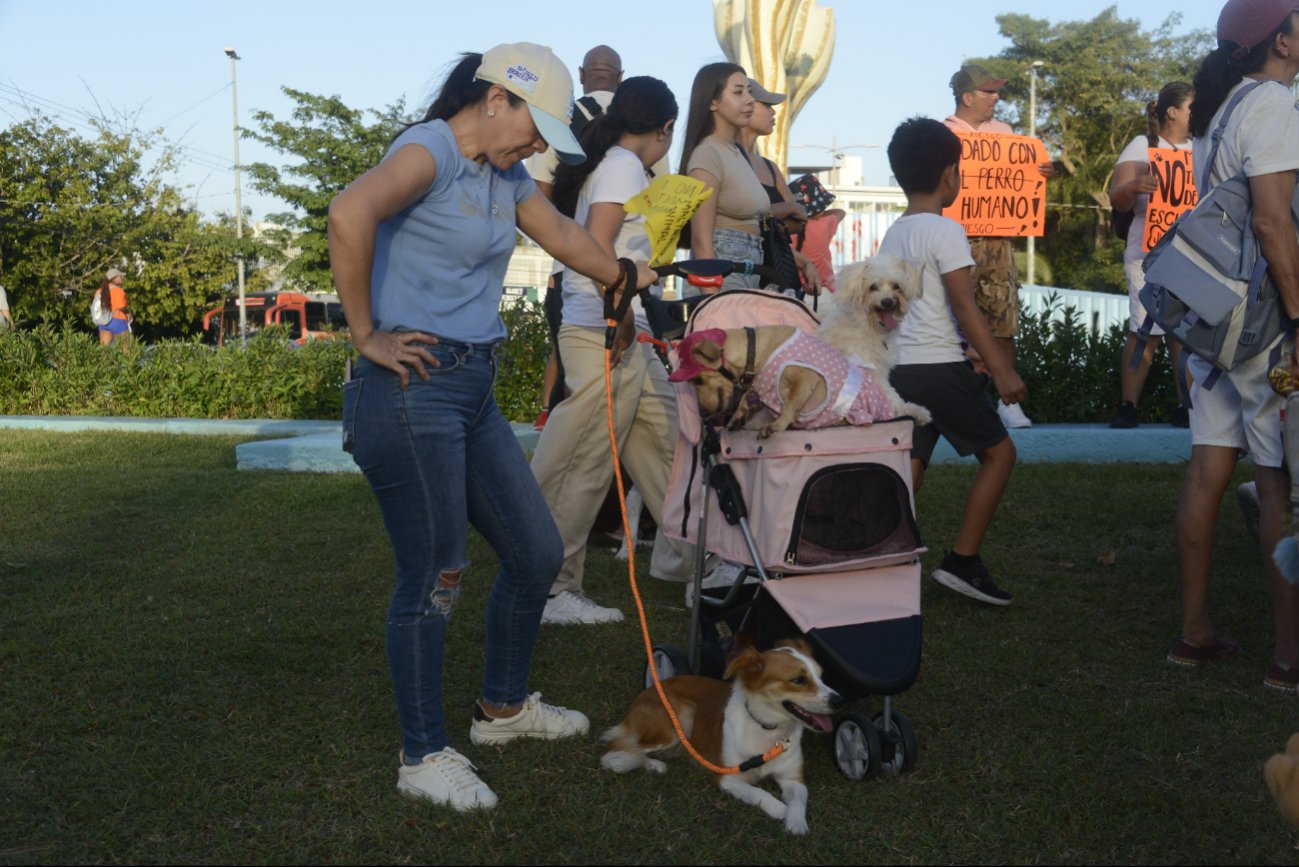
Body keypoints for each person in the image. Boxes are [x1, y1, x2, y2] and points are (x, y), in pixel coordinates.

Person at [326, 43, 658, 812]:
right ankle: (420, 753)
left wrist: (628, 281)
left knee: (536, 549)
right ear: (494, 99)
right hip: (410, 387)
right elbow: (349, 212)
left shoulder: (504, 176)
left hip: (469, 385)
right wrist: (365, 333)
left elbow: (569, 240)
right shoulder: (429, 150)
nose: (539, 144)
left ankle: (502, 710)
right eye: (534, 124)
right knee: (436, 573)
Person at [530, 76, 695, 625]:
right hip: (603, 325)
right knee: (585, 461)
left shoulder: (611, 160)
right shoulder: (624, 164)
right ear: (664, 129)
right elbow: (600, 252)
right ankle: (553, 590)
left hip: (622, 325)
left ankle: (694, 560)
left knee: (669, 445)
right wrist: (621, 313)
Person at [1170, 0, 1299, 693]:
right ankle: (1287, 656)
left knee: (1205, 470)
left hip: (1210, 316)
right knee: (1274, 477)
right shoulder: (1275, 103)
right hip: (1261, 324)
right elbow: (1273, 223)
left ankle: (1193, 633)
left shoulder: (1221, 108)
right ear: (1279, 42)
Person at [878, 117, 1027, 606]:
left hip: (902, 368)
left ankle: (875, 556)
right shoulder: (946, 230)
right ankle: (963, 563)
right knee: (999, 455)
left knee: (911, 464)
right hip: (940, 370)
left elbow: (911, 309)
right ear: (949, 175)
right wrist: (1001, 368)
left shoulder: (893, 234)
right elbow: (964, 304)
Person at [944, 63, 1053, 430]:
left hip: (997, 240)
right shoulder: (943, 135)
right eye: (989, 92)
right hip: (954, 239)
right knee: (950, 322)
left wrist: (1040, 174)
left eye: (996, 91)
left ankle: (1008, 402)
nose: (996, 98)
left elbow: (1024, 176)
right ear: (967, 97)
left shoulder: (1005, 134)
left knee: (1003, 319)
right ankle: (960, 400)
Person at [529, 45, 624, 430]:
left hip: (567, 264)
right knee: (623, 369)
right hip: (628, 267)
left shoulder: (561, 120)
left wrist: (567, 235)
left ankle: (559, 434)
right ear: (620, 77)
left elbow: (536, 191)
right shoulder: (639, 123)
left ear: (583, 74)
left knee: (572, 361)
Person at [1108, 82, 1195, 429]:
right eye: (1193, 107)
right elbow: (1117, 198)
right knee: (1145, 329)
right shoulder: (1143, 146)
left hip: (1189, 252)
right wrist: (1134, 187)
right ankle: (1128, 406)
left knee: (1183, 331)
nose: (1197, 113)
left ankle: (1185, 406)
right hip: (1147, 251)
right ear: (1173, 112)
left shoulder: (1200, 147)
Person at [678, 63, 771, 293]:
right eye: (738, 92)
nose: (749, 99)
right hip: (722, 270)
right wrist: (712, 299)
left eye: (749, 91)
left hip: (748, 267)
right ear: (712, 102)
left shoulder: (736, 152)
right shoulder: (707, 154)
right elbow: (701, 240)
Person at [738, 79, 822, 297]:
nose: (773, 112)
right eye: (766, 105)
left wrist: (805, 262)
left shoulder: (770, 167)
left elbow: (798, 220)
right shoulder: (725, 159)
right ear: (744, 105)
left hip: (776, 276)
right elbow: (743, 219)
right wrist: (783, 209)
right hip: (739, 276)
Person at [789, 174, 846, 294]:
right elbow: (841, 212)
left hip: (795, 291)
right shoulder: (825, 224)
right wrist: (818, 212)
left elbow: (764, 224)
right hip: (824, 291)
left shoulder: (786, 228)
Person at [96, 268, 132, 349]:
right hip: (117, 321)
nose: (122, 277)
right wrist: (128, 313)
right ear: (114, 278)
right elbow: (121, 307)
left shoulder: (99, 291)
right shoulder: (118, 290)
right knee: (127, 351)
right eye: (120, 276)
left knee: (103, 352)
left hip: (103, 322)